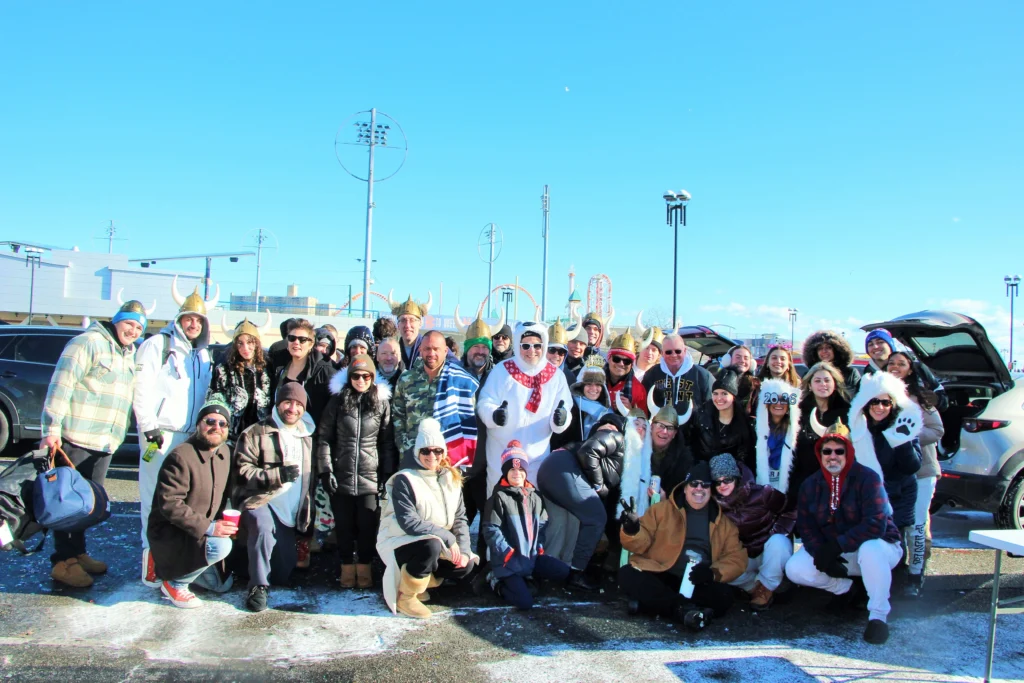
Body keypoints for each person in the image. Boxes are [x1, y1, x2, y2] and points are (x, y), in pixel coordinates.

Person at [40, 300, 145, 587]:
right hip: (76, 437)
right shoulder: (88, 342)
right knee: (67, 504)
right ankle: (63, 562)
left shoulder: (127, 354)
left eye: (139, 327)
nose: (133, 330)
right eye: (129, 323)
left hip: (104, 442)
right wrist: (52, 429)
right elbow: (61, 384)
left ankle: (78, 552)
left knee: (86, 506)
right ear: (117, 320)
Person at [784, 422, 904, 644]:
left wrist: (836, 546)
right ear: (820, 454)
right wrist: (822, 554)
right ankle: (847, 589)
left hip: (879, 549)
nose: (833, 456)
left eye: (839, 451)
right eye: (827, 451)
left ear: (849, 452)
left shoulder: (868, 478)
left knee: (871, 548)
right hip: (839, 552)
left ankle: (878, 617)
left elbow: (876, 524)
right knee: (795, 568)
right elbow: (807, 527)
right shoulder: (810, 485)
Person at [134, 285, 215, 587]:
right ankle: (152, 561)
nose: (193, 325)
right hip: (161, 434)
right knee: (153, 499)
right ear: (179, 319)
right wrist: (147, 425)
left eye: (199, 320)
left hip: (188, 437)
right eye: (188, 319)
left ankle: (178, 562)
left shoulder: (203, 354)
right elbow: (140, 388)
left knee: (182, 502)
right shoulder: (157, 345)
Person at [617, 461, 747, 631]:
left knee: (725, 596)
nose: (698, 489)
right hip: (661, 573)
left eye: (705, 485)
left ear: (711, 490)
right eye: (694, 483)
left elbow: (737, 558)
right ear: (685, 488)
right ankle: (687, 610)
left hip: (696, 581)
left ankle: (655, 607)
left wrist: (712, 573)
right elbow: (641, 544)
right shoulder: (661, 510)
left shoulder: (724, 523)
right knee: (628, 574)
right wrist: (632, 530)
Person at [376, 418, 478, 618]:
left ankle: (422, 583)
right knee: (430, 546)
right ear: (417, 453)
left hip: (434, 542)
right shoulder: (405, 479)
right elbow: (409, 522)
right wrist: (447, 539)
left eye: (437, 451)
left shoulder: (452, 478)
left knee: (467, 565)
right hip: (401, 540)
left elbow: (460, 519)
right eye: (425, 451)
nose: (432, 456)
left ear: (443, 453)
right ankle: (406, 596)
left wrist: (464, 551)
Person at [233, 384, 317, 612]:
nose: (292, 408)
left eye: (298, 404)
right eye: (287, 402)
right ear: (278, 404)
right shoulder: (255, 432)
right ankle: (257, 587)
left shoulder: (307, 435)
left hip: (289, 511)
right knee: (262, 528)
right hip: (262, 501)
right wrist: (276, 475)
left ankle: (242, 565)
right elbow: (242, 472)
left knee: (282, 572)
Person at [317, 354, 397, 590]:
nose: (360, 380)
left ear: (372, 377)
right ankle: (345, 567)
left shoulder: (382, 403)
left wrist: (386, 474)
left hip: (369, 477)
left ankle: (364, 567)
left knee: (367, 525)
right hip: (341, 474)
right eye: (356, 375)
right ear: (349, 376)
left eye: (366, 376)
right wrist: (325, 469)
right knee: (343, 526)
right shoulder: (338, 401)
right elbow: (324, 438)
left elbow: (386, 442)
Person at [147, 400, 236, 608]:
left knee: (222, 586)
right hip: (174, 533)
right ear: (198, 424)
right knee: (222, 546)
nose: (216, 427)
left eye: (223, 424)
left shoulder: (225, 454)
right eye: (210, 421)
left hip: (198, 534)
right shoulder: (181, 456)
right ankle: (174, 582)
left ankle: (169, 569)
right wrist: (211, 527)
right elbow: (170, 505)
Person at [478, 321, 573, 493]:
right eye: (526, 345)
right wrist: (494, 415)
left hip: (536, 455)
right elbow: (485, 401)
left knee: (532, 504)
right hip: (502, 451)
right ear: (517, 345)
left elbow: (565, 406)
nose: (532, 351)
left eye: (537, 346)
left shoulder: (556, 377)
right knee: (499, 501)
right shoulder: (502, 371)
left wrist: (561, 419)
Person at [537, 414, 625, 590]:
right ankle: (576, 573)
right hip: (564, 470)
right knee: (596, 518)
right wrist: (598, 485)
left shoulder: (607, 450)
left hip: (552, 470)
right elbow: (589, 451)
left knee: (567, 522)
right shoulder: (617, 436)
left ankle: (551, 569)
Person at [480, 441, 571, 608]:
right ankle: (496, 581)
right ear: (505, 472)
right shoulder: (498, 497)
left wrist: (540, 549)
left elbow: (543, 524)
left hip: (531, 557)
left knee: (562, 571)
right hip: (509, 560)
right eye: (512, 469)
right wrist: (507, 554)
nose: (517, 473)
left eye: (520, 469)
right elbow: (491, 530)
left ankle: (527, 577)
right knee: (524, 602)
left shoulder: (535, 495)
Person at [844, 371, 922, 557]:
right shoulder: (857, 430)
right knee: (866, 549)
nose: (880, 407)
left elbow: (912, 466)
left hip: (898, 499)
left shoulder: (904, 427)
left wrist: (900, 440)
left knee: (892, 551)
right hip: (864, 500)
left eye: (885, 402)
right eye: (874, 402)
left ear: (893, 405)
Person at [886, 351, 943, 596]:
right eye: (891, 363)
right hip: (890, 474)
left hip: (922, 471)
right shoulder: (880, 395)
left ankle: (915, 574)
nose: (895, 367)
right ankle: (895, 571)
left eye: (901, 363)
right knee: (894, 524)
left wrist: (906, 437)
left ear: (910, 368)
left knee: (917, 525)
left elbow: (937, 429)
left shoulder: (920, 398)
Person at [710, 454, 794, 610]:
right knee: (715, 568)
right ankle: (755, 588)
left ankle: (767, 587)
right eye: (717, 481)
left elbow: (789, 511)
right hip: (742, 556)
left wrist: (775, 532)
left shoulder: (762, 493)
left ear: (736, 477)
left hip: (767, 551)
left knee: (779, 543)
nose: (723, 485)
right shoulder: (714, 505)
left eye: (727, 479)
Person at [392, 330, 479, 464]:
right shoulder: (406, 379)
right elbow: (398, 416)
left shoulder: (459, 381)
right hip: (412, 455)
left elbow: (467, 420)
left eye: (436, 349)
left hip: (446, 459)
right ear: (420, 350)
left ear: (445, 351)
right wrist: (405, 447)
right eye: (427, 349)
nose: (431, 353)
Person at [207, 318, 272, 447]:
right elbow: (214, 401)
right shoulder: (223, 370)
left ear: (256, 343)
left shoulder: (268, 370)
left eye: (250, 342)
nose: (245, 348)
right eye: (240, 343)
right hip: (230, 438)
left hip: (260, 438)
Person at [792, 362, 851, 501]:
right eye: (817, 380)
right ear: (810, 385)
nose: (822, 384)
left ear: (835, 383)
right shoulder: (797, 411)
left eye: (827, 380)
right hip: (805, 482)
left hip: (838, 483)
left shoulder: (848, 412)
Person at [269, 318, 334, 426]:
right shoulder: (278, 367)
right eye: (292, 338)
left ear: (311, 344)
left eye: (302, 339)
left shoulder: (324, 372)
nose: (296, 342)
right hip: (280, 431)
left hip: (310, 435)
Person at [863, 329, 948, 411]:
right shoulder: (868, 375)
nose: (875, 346)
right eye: (870, 344)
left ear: (890, 345)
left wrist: (937, 400)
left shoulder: (917, 368)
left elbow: (944, 401)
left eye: (880, 342)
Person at [689, 368, 755, 468]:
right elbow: (691, 447)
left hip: (732, 474)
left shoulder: (744, 422)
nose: (719, 398)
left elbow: (745, 455)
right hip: (704, 470)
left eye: (724, 394)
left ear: (733, 396)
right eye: (715, 393)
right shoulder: (700, 416)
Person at [642, 333, 714, 418]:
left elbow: (712, 409)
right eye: (668, 352)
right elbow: (643, 403)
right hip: (661, 429)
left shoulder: (703, 376)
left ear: (685, 351)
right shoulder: (652, 373)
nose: (673, 355)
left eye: (678, 351)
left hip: (693, 429)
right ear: (662, 353)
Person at [754, 378, 802, 500]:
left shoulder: (797, 432)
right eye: (774, 399)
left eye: (783, 400)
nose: (779, 403)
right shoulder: (755, 428)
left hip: (789, 491)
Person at [550, 356, 611, 451]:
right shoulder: (571, 406)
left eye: (598, 384)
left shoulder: (607, 412)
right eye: (589, 384)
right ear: (581, 386)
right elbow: (560, 440)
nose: (593, 389)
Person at [648, 402, 696, 496]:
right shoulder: (639, 449)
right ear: (652, 426)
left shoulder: (684, 460)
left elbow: (682, 495)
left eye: (670, 428)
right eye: (661, 425)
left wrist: (666, 500)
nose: (664, 431)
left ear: (674, 433)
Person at [802, 330, 861, 397]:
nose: (824, 351)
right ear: (815, 353)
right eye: (820, 348)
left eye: (828, 347)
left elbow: (860, 399)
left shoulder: (851, 373)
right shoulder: (809, 375)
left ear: (837, 350)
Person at [605, 331, 649, 417]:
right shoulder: (594, 379)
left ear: (632, 364)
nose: (621, 364)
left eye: (627, 361)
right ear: (609, 358)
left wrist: (630, 411)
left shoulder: (639, 389)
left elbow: (643, 421)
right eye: (616, 359)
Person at [718, 345, 759, 418]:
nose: (742, 361)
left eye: (746, 358)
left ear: (751, 363)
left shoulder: (756, 385)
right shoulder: (718, 380)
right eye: (738, 357)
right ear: (728, 360)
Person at [392, 295, 431, 369]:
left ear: (420, 323)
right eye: (403, 320)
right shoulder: (392, 349)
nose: (407, 325)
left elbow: (453, 362)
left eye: (412, 320)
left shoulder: (430, 347)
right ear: (398, 325)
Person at [546, 319, 575, 386]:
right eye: (551, 350)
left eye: (561, 351)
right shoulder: (532, 373)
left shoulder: (569, 377)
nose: (556, 355)